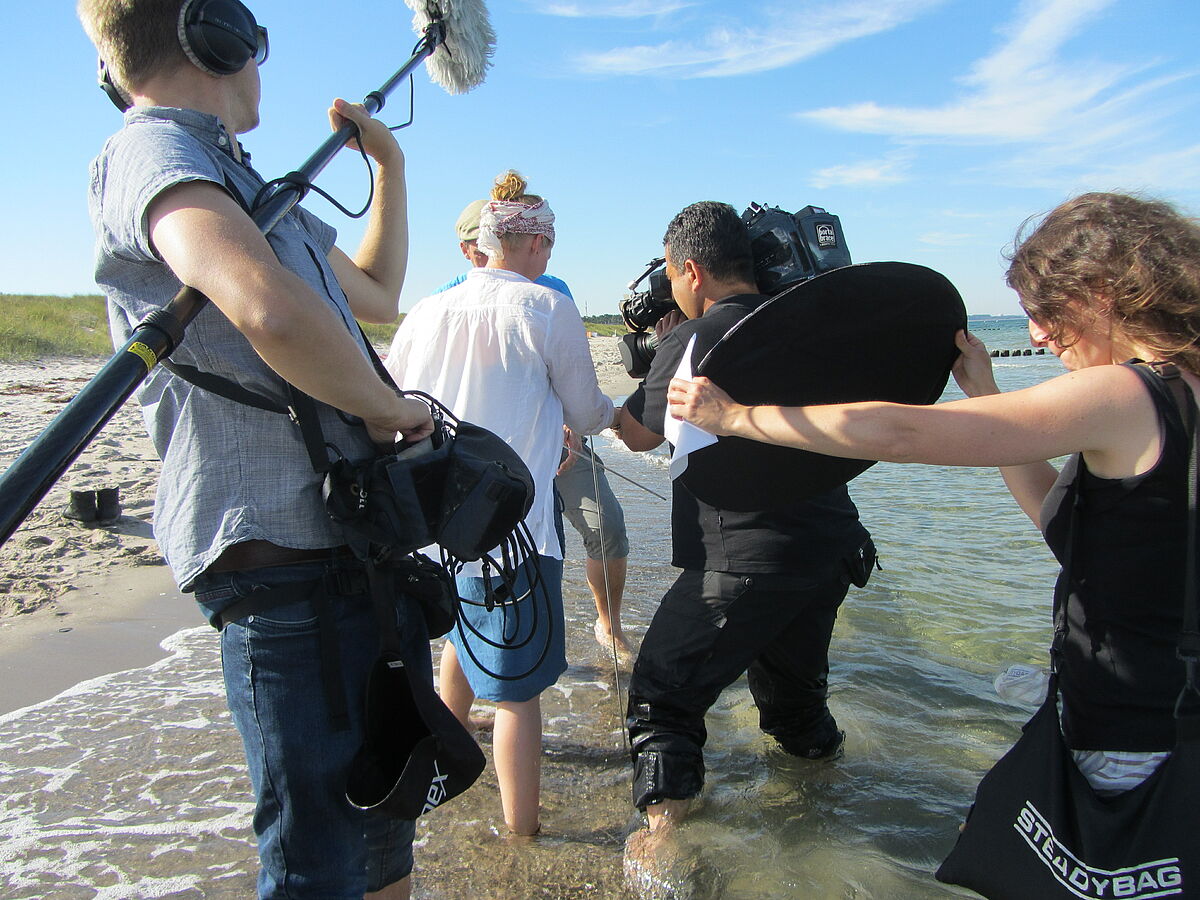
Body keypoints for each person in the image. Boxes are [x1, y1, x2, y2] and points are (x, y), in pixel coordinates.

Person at [668, 192, 1200, 796]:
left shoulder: (1124, 394)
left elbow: (899, 431)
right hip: (1162, 703)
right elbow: (1075, 536)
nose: (1038, 332)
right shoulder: (1181, 394)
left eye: (1047, 309)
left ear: (1103, 292)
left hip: (1132, 722)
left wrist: (737, 417)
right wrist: (986, 397)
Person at [77, 1, 433, 897]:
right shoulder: (153, 153)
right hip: (282, 570)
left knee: (387, 838)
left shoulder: (239, 178)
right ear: (218, 37)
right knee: (319, 864)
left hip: (354, 558)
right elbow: (263, 306)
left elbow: (379, 292)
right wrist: (388, 410)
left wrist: (387, 166)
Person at [614, 201, 876, 835]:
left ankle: (666, 849)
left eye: (674, 276)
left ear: (693, 271)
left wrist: (652, 361)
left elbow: (640, 437)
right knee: (795, 707)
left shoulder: (692, 336)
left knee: (661, 702)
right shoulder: (803, 324)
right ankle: (831, 817)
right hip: (831, 548)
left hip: (744, 560)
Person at [385, 172, 620, 835]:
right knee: (519, 695)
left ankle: (440, 765)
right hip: (513, 529)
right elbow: (586, 410)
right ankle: (523, 836)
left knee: (458, 638)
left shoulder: (427, 310)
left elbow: (393, 399)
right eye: (550, 244)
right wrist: (615, 418)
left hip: (434, 524)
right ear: (537, 243)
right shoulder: (547, 306)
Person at [434, 191, 633, 655]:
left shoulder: (552, 291)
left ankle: (609, 624)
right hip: (487, 459)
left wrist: (570, 428)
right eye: (475, 246)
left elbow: (571, 381)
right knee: (484, 555)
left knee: (606, 527)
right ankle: (475, 661)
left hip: (565, 441)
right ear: (467, 249)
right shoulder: (444, 299)